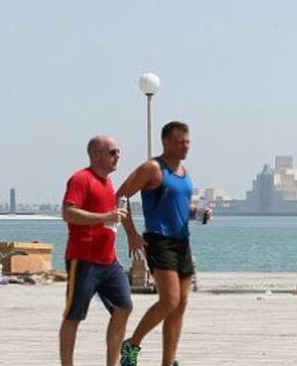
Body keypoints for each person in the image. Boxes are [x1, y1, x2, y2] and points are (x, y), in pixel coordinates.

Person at [117, 121, 212, 366]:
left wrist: (199, 213)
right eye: (180, 142)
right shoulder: (152, 168)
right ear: (166, 142)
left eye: (188, 142)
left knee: (180, 304)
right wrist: (131, 233)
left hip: (182, 242)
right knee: (169, 300)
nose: (185, 146)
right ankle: (132, 344)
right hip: (159, 240)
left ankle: (168, 362)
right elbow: (121, 195)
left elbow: (179, 208)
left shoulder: (184, 173)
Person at [60, 135, 132, 366]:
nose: (118, 156)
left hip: (109, 262)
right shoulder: (81, 179)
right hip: (84, 260)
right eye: (112, 152)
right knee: (74, 316)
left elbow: (108, 221)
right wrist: (104, 217)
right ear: (96, 154)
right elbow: (68, 212)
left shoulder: (108, 184)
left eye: (118, 152)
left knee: (124, 307)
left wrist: (118, 224)